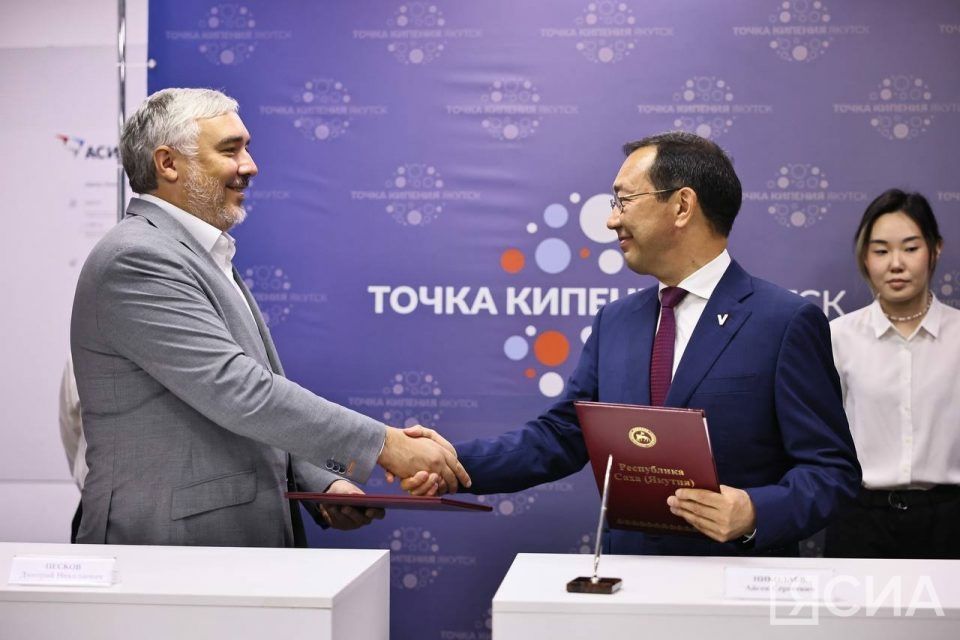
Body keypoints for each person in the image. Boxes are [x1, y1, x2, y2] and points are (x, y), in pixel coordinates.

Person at [401, 132, 861, 556]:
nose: (611, 220)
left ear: (682, 206)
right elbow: (561, 436)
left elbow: (831, 473)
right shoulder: (616, 322)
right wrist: (452, 462)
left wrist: (754, 512)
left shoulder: (784, 322)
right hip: (626, 581)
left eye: (623, 201)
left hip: (735, 587)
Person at [71, 87, 468, 547]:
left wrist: (322, 483)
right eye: (230, 150)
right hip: (169, 550)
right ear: (168, 164)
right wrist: (384, 445)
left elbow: (246, 407)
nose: (250, 165)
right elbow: (238, 390)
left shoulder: (196, 253)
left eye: (246, 148)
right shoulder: (138, 257)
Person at [826, 189, 960, 559]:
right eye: (881, 251)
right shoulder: (838, 337)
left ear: (935, 250)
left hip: (949, 520)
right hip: (860, 519)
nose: (896, 264)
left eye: (911, 248)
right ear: (865, 257)